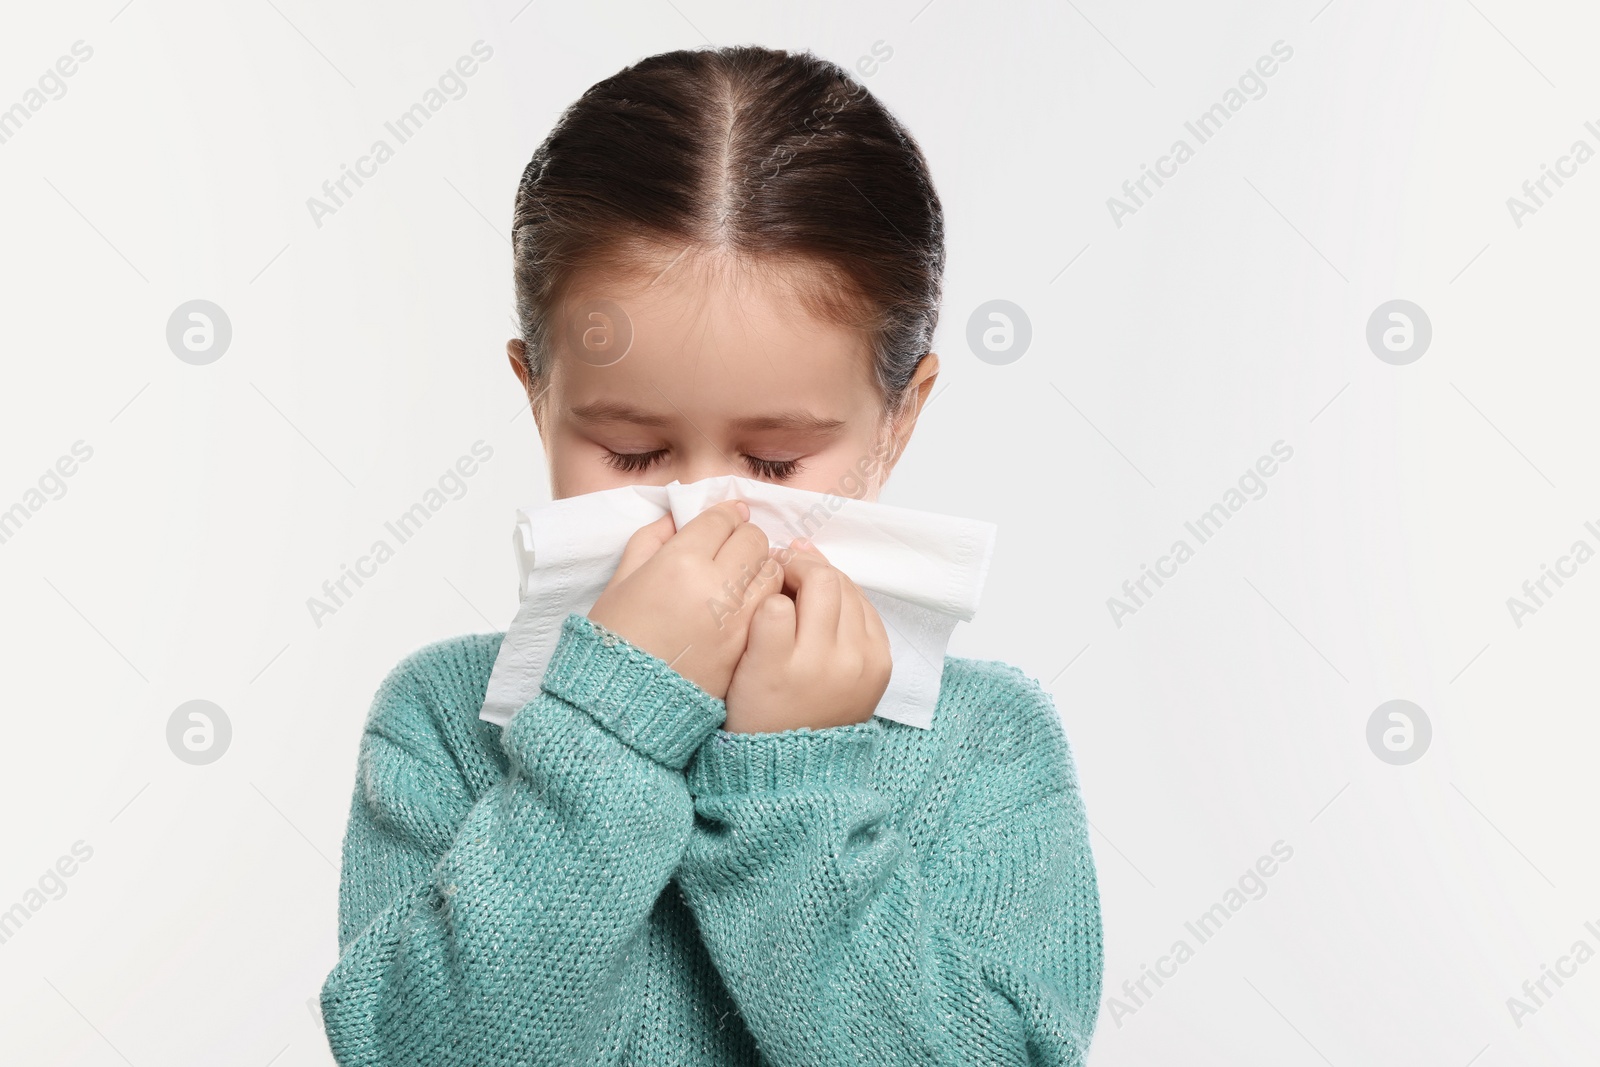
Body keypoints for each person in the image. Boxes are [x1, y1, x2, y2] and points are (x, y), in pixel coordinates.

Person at [320, 43, 1102, 1065]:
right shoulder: (439, 720)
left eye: (773, 461)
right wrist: (607, 728)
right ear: (536, 395)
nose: (701, 516)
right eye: (633, 450)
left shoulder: (988, 747)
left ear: (896, 421)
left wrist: (795, 791)